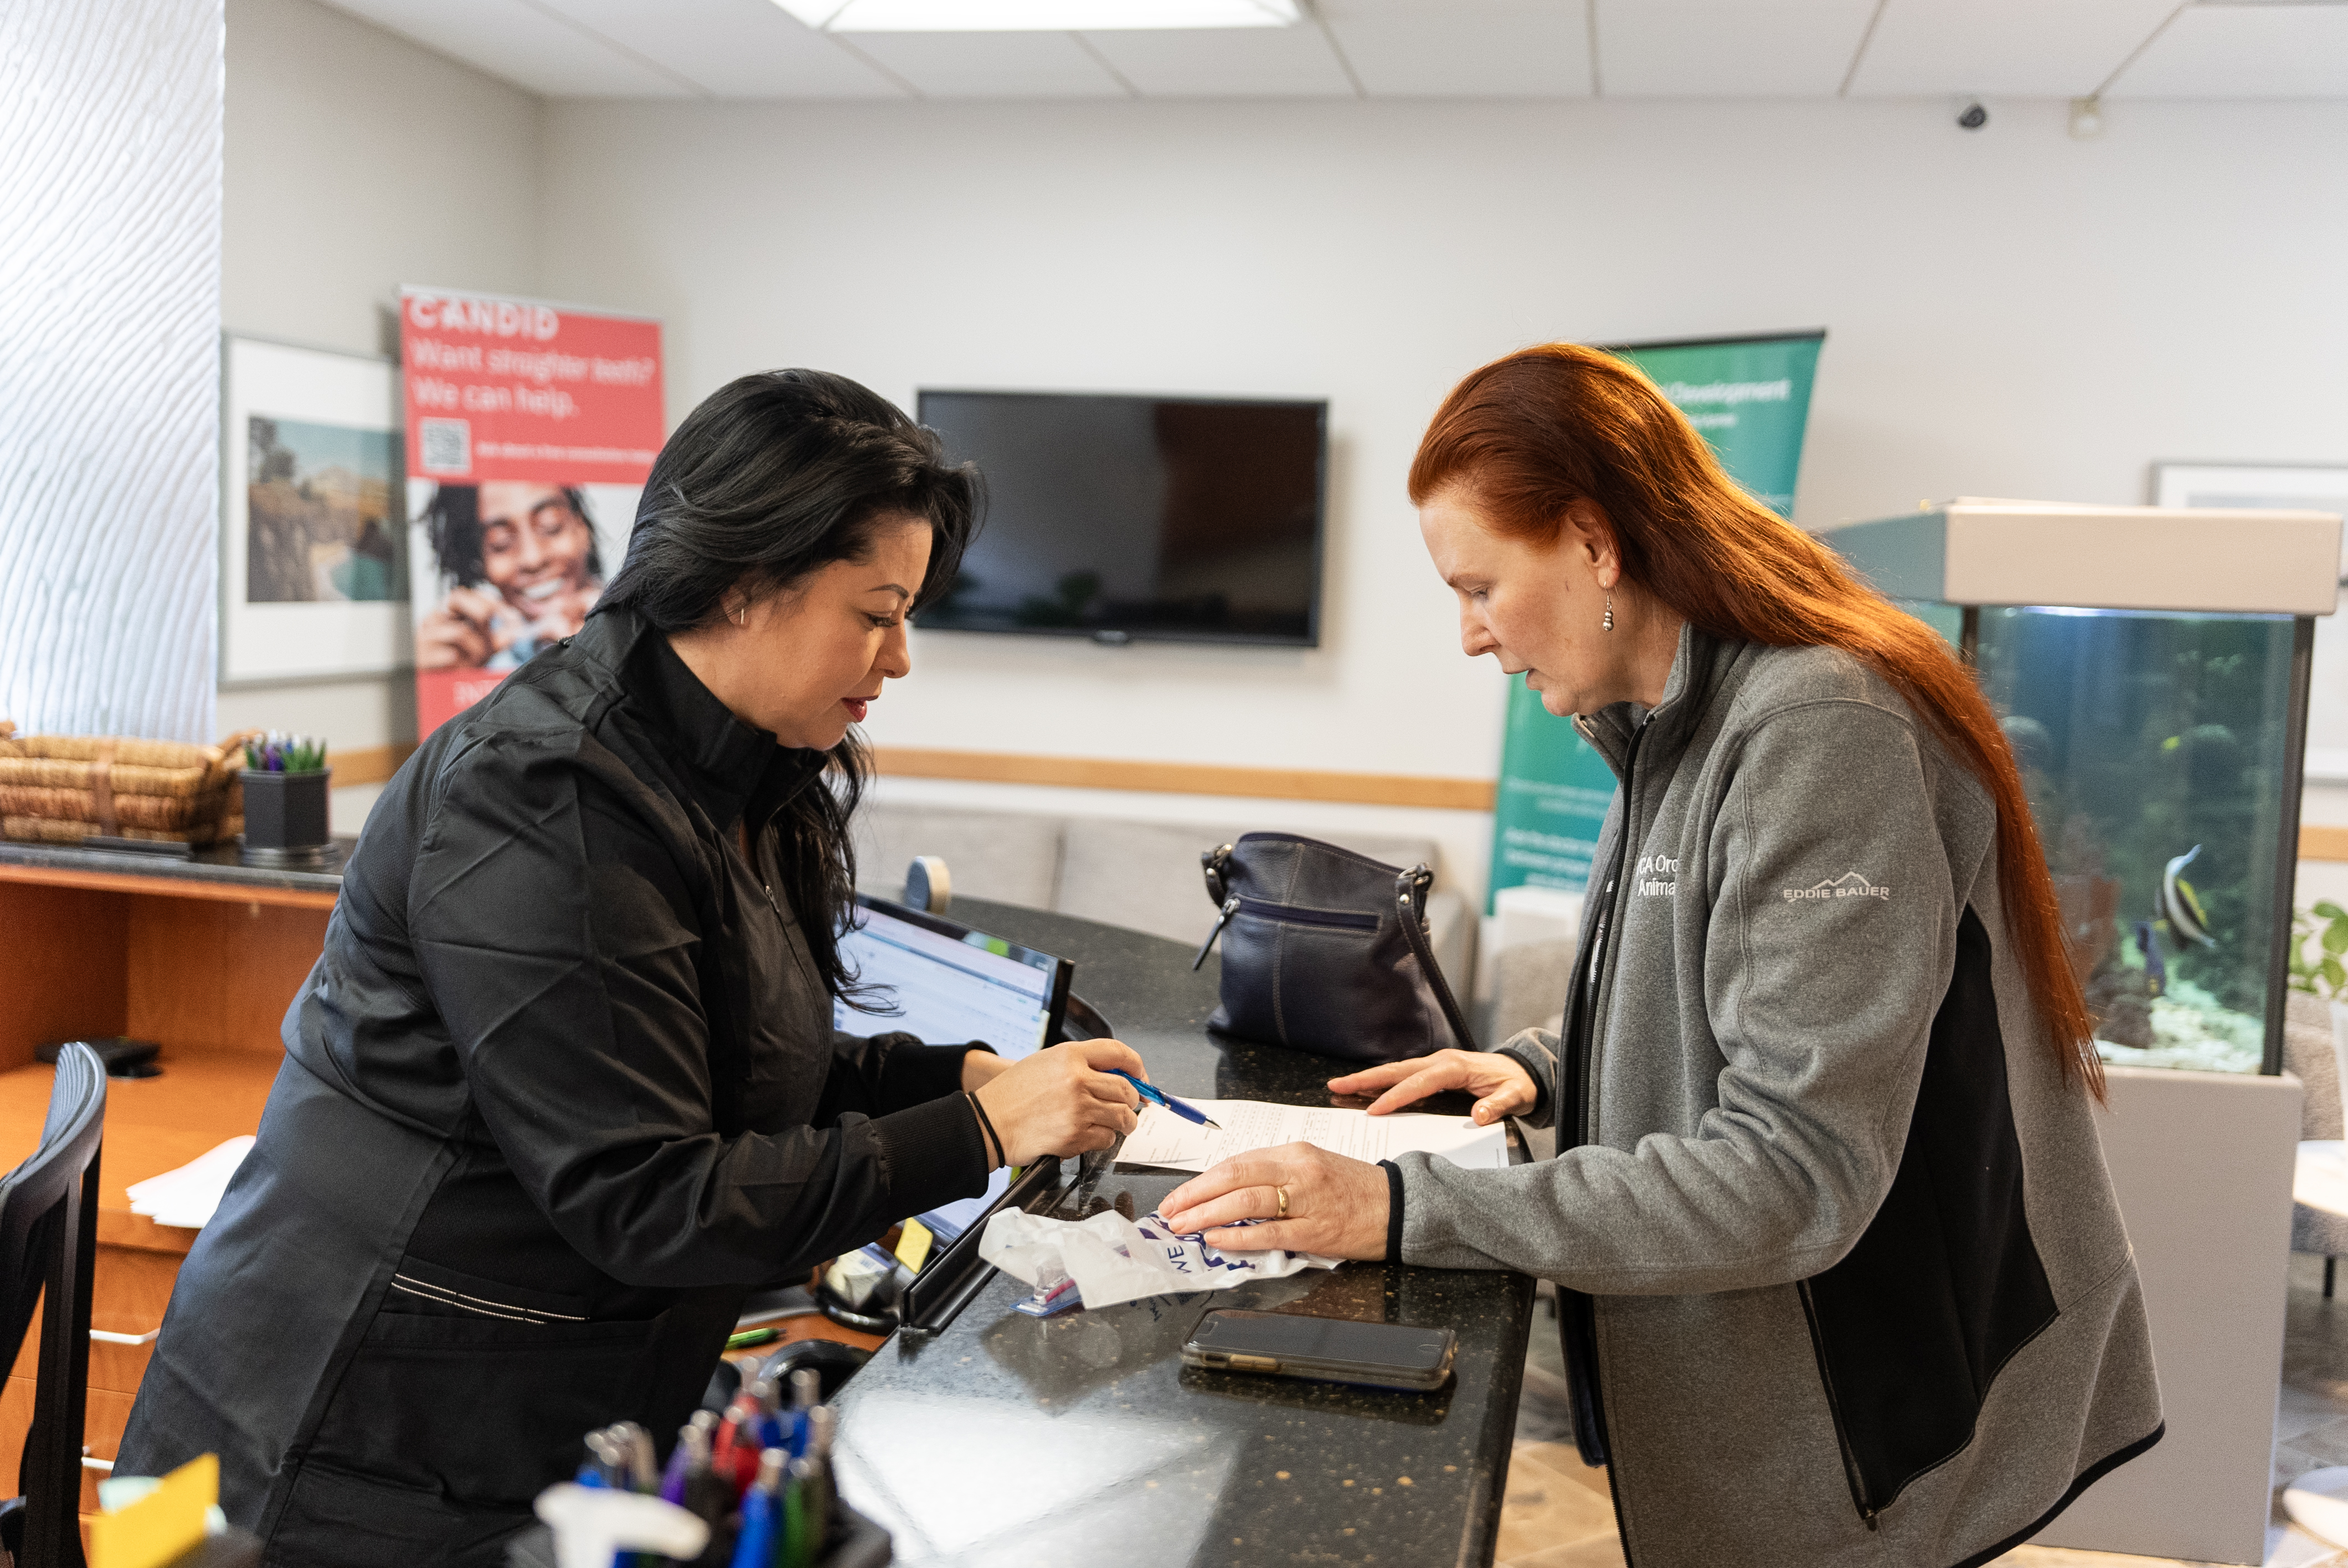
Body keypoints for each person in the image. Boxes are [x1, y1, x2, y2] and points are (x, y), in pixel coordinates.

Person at [119, 370, 1150, 1564]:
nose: (900, 657)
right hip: (346, 1441)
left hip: (517, 1413)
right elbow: (650, 1198)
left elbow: (710, 1051)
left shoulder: (734, 768)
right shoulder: (545, 798)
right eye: (874, 613)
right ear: (741, 583)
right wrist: (970, 1132)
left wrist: (936, 1078)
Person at [1161, 343, 2162, 1567]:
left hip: (1868, 1406)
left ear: (1592, 543)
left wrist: (1397, 1202)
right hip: (1770, 1389)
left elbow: (1794, 1172)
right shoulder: (1664, 724)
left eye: (1477, 587)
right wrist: (1546, 1061)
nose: (1470, 637)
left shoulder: (1813, 728)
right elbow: (1732, 987)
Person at [414, 481, 606, 670]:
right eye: (500, 542)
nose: (533, 559)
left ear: (582, 528)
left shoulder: (629, 623)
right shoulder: (476, 656)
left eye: (551, 526)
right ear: (479, 562)